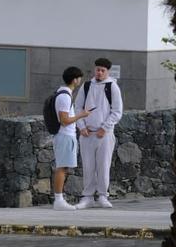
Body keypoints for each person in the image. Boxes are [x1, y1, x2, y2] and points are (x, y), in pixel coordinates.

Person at [74, 57, 124, 209]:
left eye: (103, 70)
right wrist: (81, 126)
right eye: (98, 69)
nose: (99, 73)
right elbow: (78, 107)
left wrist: (105, 127)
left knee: (103, 165)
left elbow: (117, 111)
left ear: (107, 72)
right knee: (88, 166)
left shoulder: (112, 87)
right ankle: (87, 196)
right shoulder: (87, 85)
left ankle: (103, 195)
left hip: (104, 134)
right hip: (87, 133)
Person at [52, 66, 91, 210]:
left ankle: (59, 199)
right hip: (65, 135)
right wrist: (82, 115)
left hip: (66, 135)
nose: (80, 80)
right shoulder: (64, 96)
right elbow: (64, 120)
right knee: (61, 168)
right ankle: (58, 200)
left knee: (64, 167)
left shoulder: (64, 94)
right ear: (75, 79)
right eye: (79, 77)